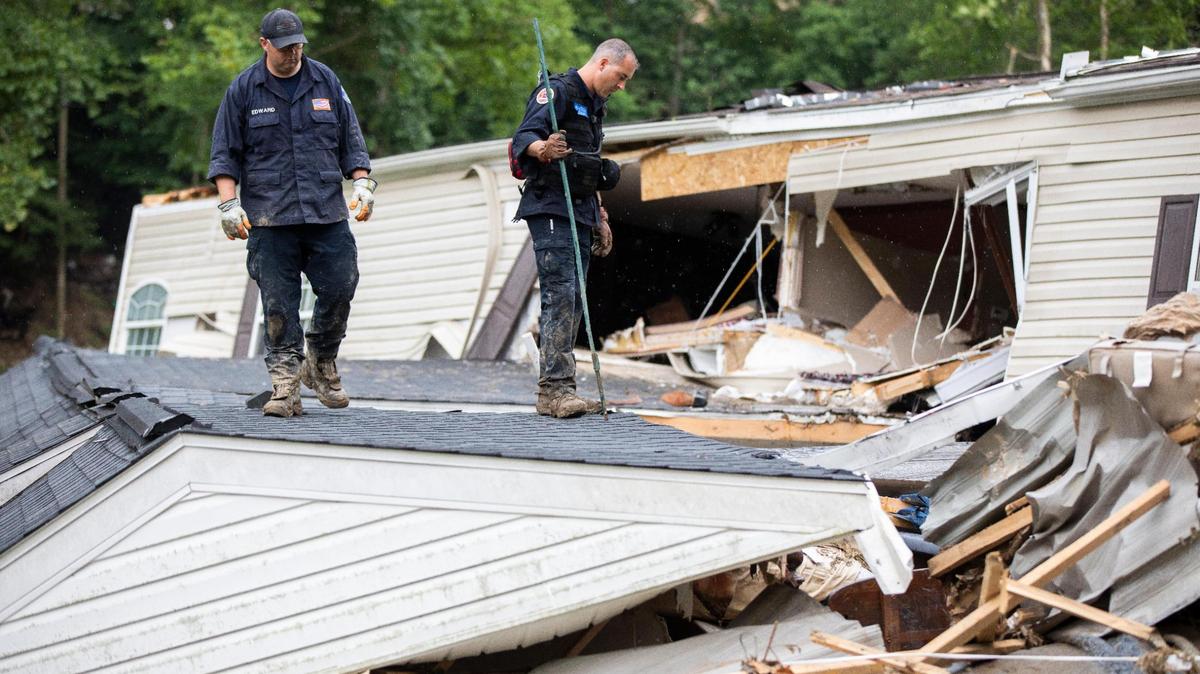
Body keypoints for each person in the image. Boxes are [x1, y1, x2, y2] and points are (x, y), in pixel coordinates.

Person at [208, 8, 375, 418]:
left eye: (298, 45)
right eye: (285, 48)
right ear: (264, 44)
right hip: (269, 219)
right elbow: (224, 154)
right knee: (279, 306)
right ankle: (285, 386)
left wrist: (363, 183)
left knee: (341, 285)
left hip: (325, 212)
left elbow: (350, 139)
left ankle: (320, 360)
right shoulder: (244, 90)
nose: (293, 53)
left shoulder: (324, 80)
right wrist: (229, 204)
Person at [511, 39, 637, 418]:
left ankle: (562, 387)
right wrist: (542, 150)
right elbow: (523, 137)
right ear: (602, 63)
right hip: (550, 206)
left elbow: (588, 165)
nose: (622, 86)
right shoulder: (558, 92)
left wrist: (600, 215)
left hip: (581, 209)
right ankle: (554, 392)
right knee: (561, 293)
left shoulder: (595, 108)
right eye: (620, 77)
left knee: (576, 299)